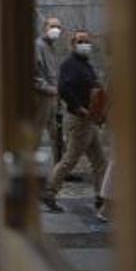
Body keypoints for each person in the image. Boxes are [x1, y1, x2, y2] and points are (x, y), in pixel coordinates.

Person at [42, 30, 107, 213]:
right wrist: (79, 107)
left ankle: (100, 197)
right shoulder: (70, 64)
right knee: (70, 160)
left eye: (86, 41)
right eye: (80, 41)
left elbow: (94, 87)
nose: (84, 44)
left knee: (100, 161)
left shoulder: (85, 64)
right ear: (73, 44)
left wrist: (98, 112)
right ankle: (49, 192)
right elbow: (63, 88)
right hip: (79, 119)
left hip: (89, 119)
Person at [33, 16, 63, 154]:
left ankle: (60, 171)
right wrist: (51, 89)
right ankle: (27, 170)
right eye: (52, 26)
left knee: (57, 134)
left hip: (52, 97)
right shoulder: (38, 46)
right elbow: (33, 76)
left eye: (58, 27)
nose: (56, 30)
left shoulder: (50, 47)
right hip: (41, 98)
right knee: (36, 134)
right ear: (44, 28)